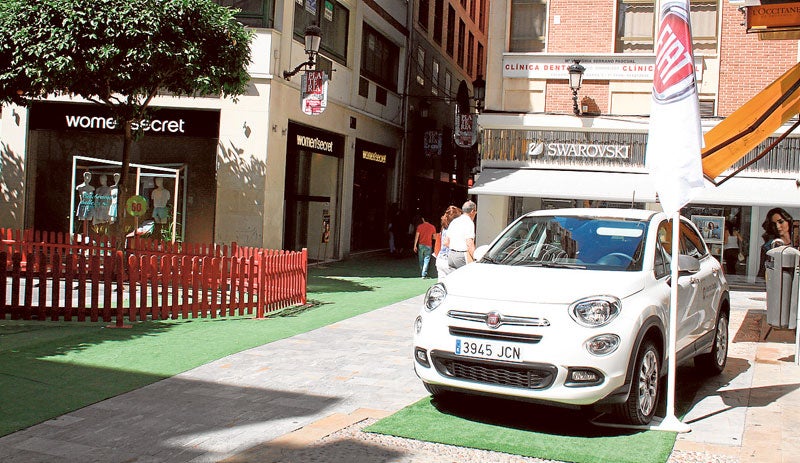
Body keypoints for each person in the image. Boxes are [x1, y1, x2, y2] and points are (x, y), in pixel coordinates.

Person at [759, 207, 794, 277]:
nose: (778, 226)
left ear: (788, 221)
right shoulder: (768, 247)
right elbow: (762, 273)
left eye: (781, 222)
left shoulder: (797, 243)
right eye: (773, 224)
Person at [446, 200, 477, 271]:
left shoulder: (454, 221)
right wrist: (475, 257)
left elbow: (446, 241)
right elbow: (469, 243)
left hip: (451, 254)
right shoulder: (469, 222)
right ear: (472, 211)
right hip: (462, 255)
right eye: (475, 211)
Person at [435, 206, 462, 282]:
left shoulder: (444, 227)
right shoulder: (455, 228)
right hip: (450, 260)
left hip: (440, 259)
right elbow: (447, 243)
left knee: (441, 284)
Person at [413, 214, 437, 279]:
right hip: (429, 244)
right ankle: (424, 273)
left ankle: (422, 272)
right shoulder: (432, 227)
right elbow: (434, 237)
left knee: (421, 259)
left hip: (421, 244)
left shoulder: (419, 226)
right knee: (427, 259)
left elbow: (417, 236)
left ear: (423, 219)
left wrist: (415, 245)